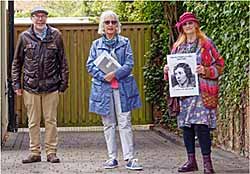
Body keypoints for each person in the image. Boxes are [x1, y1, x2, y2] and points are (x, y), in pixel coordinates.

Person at [164, 12, 224, 173]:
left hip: (202, 94)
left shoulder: (206, 44)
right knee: (186, 127)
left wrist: (205, 70)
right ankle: (191, 161)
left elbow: (220, 65)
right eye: (185, 24)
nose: (188, 26)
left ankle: (207, 163)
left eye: (191, 23)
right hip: (184, 94)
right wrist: (167, 70)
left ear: (196, 25)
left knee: (201, 126)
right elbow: (172, 71)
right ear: (182, 28)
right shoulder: (178, 47)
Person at [86, 10, 143, 170]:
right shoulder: (96, 45)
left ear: (118, 25)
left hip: (122, 88)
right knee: (108, 124)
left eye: (113, 22)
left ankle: (130, 158)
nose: (110, 25)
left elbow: (129, 63)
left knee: (125, 122)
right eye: (107, 22)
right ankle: (112, 158)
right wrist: (103, 76)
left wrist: (114, 74)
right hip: (103, 89)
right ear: (102, 26)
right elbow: (89, 65)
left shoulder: (125, 42)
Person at [12, 6, 69, 164]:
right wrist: (16, 84)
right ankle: (34, 152)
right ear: (32, 19)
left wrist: (64, 83)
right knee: (33, 121)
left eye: (43, 16)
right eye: (37, 16)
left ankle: (51, 152)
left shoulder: (56, 35)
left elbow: (63, 61)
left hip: (51, 86)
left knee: (51, 120)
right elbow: (17, 62)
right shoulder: (24, 37)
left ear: (46, 18)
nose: (40, 19)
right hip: (31, 86)